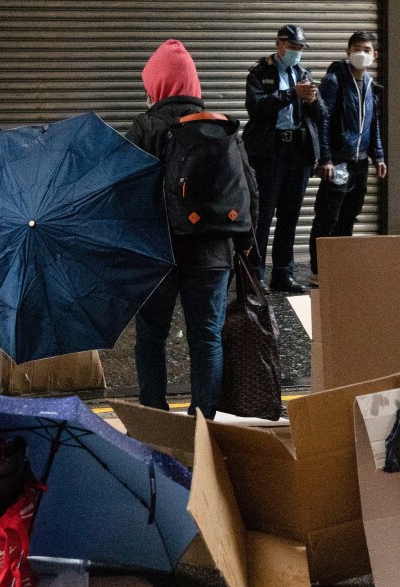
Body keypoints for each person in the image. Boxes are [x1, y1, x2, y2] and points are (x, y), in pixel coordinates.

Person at [125, 39, 255, 419]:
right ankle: (203, 422)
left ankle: (155, 418)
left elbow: (126, 189)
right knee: (206, 339)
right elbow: (250, 188)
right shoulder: (222, 128)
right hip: (213, 254)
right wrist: (246, 246)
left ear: (157, 85)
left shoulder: (147, 126)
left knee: (151, 338)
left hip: (157, 253)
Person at [244, 25, 326, 295]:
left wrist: (312, 100)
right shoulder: (259, 73)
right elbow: (256, 108)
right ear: (279, 44)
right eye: (293, 47)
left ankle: (283, 274)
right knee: (263, 215)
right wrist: (292, 94)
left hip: (298, 153)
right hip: (268, 153)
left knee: (290, 216)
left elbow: (321, 114)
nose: (297, 52)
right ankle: (255, 275)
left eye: (301, 48)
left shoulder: (303, 73)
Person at [308, 31, 386, 287]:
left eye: (366, 49)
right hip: (339, 160)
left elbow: (372, 122)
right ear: (347, 51)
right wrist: (326, 158)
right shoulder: (334, 80)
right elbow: (324, 120)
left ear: (374, 55)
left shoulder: (370, 84)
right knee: (327, 216)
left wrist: (379, 155)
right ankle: (318, 271)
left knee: (349, 215)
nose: (360, 54)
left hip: (360, 162)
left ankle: (339, 268)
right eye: (356, 48)